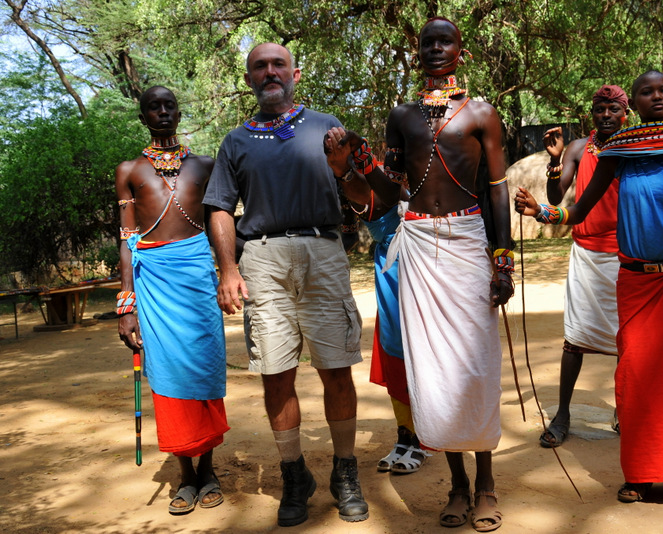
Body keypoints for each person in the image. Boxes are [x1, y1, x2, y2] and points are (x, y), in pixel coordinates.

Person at [515, 70, 663, 506]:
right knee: (636, 374)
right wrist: (542, 213)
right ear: (637, 103)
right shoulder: (620, 150)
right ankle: (642, 474)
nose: (656, 96)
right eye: (647, 91)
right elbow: (579, 211)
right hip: (636, 281)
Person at [326, 17, 513, 532]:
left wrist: (503, 259)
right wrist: (356, 161)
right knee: (434, 371)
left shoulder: (481, 113)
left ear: (460, 50)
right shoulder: (402, 116)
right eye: (427, 42)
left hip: (469, 242)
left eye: (444, 41)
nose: (435, 48)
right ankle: (456, 486)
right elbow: (390, 193)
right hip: (418, 245)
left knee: (474, 367)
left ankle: (487, 486)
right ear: (419, 52)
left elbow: (496, 189)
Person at [203, 43, 368, 527]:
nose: (270, 72)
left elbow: (362, 199)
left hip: (323, 250)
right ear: (250, 78)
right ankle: (295, 475)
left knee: (337, 366)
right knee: (276, 371)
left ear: (295, 72)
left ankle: (344, 471)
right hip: (262, 259)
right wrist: (229, 270)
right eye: (260, 66)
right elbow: (219, 208)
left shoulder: (326, 125)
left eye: (278, 64)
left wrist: (346, 168)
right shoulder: (235, 141)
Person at [116, 86, 228, 515]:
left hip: (198, 277)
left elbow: (220, 224)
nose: (162, 112)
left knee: (203, 365)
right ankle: (185, 475)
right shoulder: (129, 170)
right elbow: (127, 239)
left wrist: (228, 272)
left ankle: (210, 470)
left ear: (179, 113)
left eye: (169, 106)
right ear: (143, 115)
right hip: (153, 285)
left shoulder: (205, 165)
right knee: (167, 373)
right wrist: (126, 304)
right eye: (153, 107)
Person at [537, 85, 628, 448]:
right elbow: (556, 197)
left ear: (625, 114)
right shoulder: (577, 149)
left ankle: (625, 408)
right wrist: (555, 162)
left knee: (629, 340)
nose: (606, 115)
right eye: (599, 109)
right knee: (574, 340)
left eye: (613, 109)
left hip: (626, 254)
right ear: (591, 113)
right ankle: (562, 415)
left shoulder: (633, 147)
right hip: (586, 255)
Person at [337, 171, 429, 474]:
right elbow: (350, 234)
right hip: (390, 270)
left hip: (423, 267)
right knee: (394, 352)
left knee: (421, 353)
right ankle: (405, 434)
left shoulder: (419, 173)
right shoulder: (367, 176)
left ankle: (424, 437)